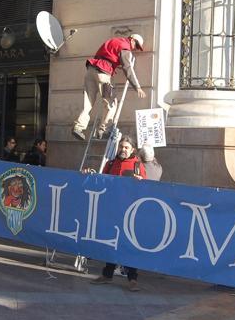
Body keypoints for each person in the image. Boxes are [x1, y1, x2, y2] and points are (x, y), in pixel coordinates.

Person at [89, 135, 147, 292]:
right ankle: (107, 275)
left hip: (129, 212)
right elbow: (102, 181)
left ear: (132, 150)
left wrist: (140, 180)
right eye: (121, 146)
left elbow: (146, 187)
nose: (123, 149)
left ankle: (132, 279)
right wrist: (90, 173)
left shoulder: (137, 165)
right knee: (111, 243)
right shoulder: (111, 163)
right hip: (111, 210)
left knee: (127, 244)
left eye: (126, 147)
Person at [72, 34, 147, 141]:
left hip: (90, 71)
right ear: (132, 39)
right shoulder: (125, 47)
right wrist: (137, 87)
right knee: (111, 103)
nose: (135, 48)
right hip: (103, 74)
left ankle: (78, 127)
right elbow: (128, 68)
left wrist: (115, 64)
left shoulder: (113, 41)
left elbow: (106, 55)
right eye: (136, 45)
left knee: (88, 102)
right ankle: (103, 130)